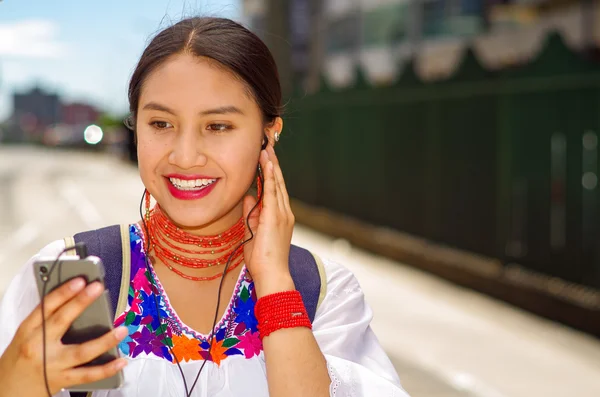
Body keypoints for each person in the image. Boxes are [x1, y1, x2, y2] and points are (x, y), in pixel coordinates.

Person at [0, 17, 409, 397]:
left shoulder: (320, 293)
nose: (185, 155)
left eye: (218, 126)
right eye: (161, 124)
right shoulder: (76, 278)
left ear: (269, 135)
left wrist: (275, 284)